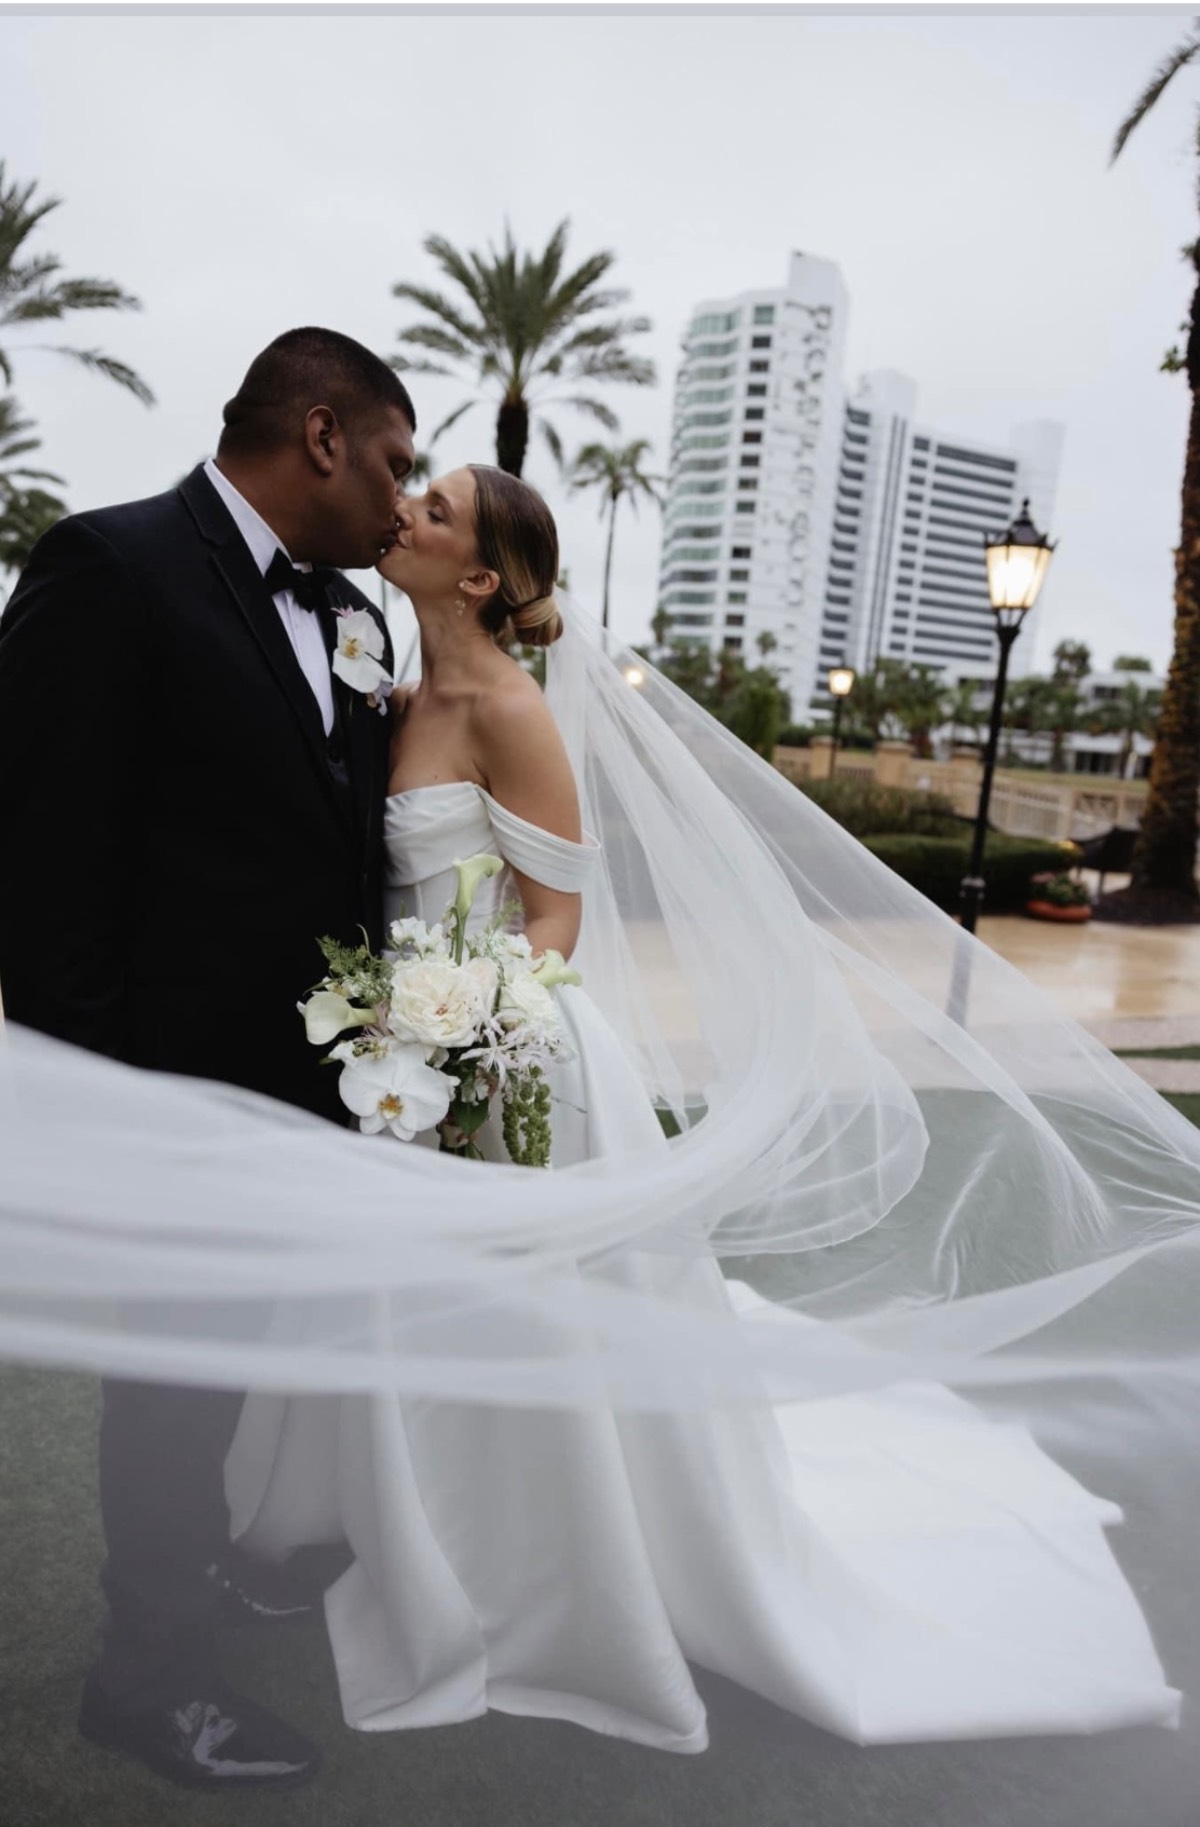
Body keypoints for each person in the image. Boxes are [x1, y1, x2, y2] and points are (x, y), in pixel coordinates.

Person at [222, 465, 1183, 1752]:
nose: (406, 513)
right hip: (399, 1046)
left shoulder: (512, 708)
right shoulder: (396, 687)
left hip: (506, 1058)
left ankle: (536, 1559)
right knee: (402, 1297)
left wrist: (474, 1023)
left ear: (482, 578)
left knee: (524, 1323)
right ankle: (384, 1522)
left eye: (436, 510)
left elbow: (555, 916)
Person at [0, 326, 415, 1791]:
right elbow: (39, 863)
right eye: (391, 460)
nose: (400, 496)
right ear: (318, 434)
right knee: (166, 1394)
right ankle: (149, 1683)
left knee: (230, 1375)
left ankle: (218, 1586)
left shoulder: (356, 617)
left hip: (306, 1094)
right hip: (164, 1097)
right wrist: (110, 1104)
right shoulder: (109, 568)